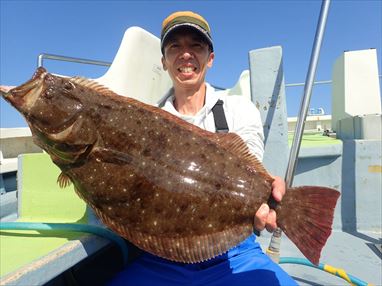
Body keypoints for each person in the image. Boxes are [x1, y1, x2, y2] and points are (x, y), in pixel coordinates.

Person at [108, 11, 297, 286]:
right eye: (175, 47)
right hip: (163, 255)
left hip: (234, 253)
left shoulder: (238, 109)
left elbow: (250, 167)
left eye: (196, 46)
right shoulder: (147, 120)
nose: (186, 55)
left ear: (210, 58)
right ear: (164, 61)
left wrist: (267, 193)